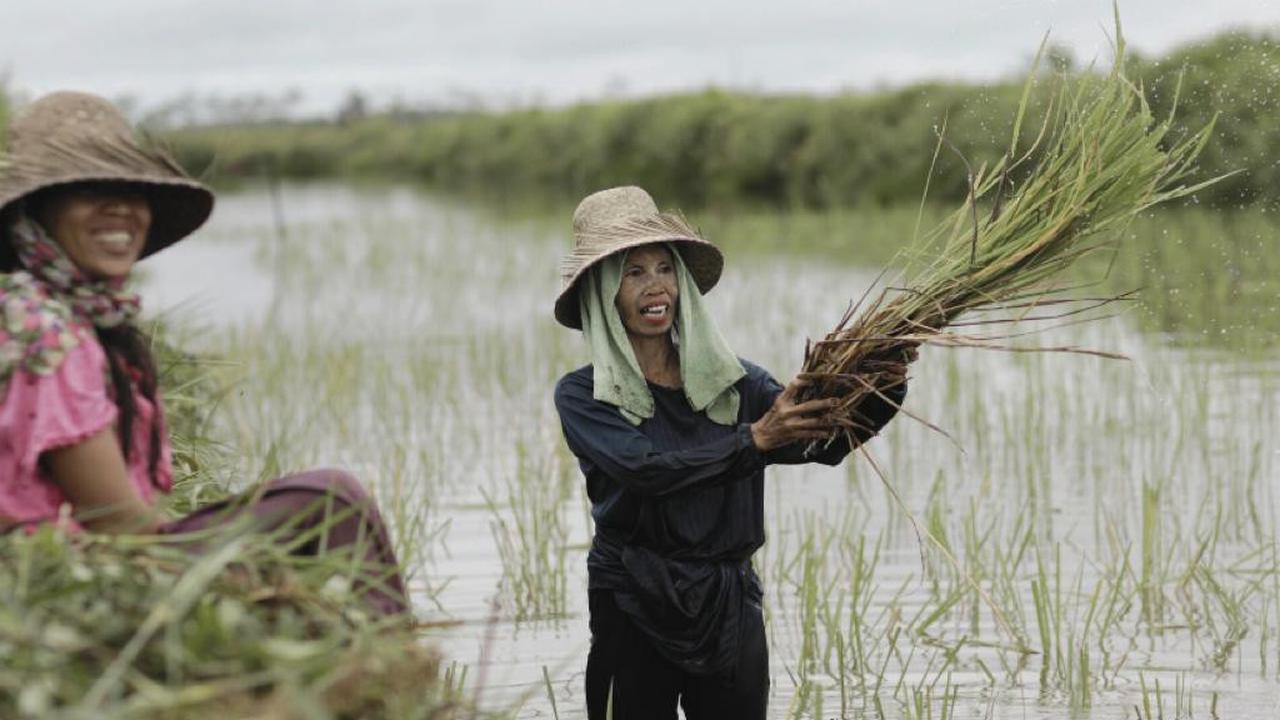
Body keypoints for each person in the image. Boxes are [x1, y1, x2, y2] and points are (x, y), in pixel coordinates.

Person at [0, 91, 408, 616]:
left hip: (84, 563)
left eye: (129, 189)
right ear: (35, 212)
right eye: (89, 190)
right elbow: (116, 521)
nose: (120, 206)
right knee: (331, 497)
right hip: (75, 580)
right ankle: (389, 661)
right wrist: (237, 567)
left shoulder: (67, 317)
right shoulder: (41, 326)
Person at [553, 186, 911, 719]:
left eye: (664, 268)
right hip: (633, 596)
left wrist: (884, 381)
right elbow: (647, 470)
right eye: (633, 272)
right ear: (603, 293)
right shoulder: (585, 396)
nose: (657, 286)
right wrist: (756, 439)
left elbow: (820, 444)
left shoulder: (736, 385)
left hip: (728, 602)